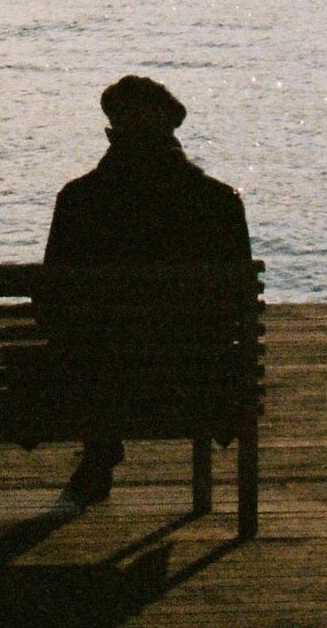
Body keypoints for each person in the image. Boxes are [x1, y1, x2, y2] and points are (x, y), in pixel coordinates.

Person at [43, 74, 253, 511]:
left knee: (96, 343)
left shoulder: (79, 201)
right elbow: (237, 307)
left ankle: (100, 451)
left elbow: (50, 307)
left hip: (93, 383)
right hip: (195, 379)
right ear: (173, 133)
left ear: (112, 133)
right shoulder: (219, 203)